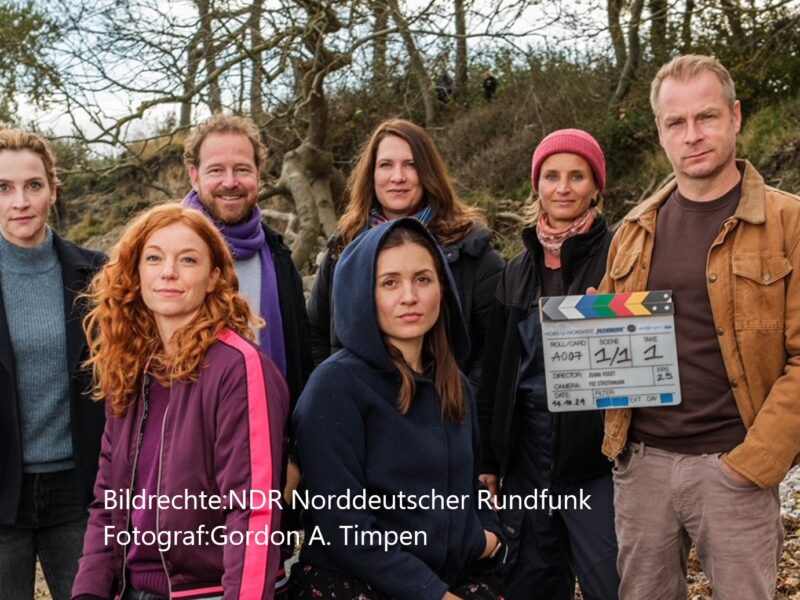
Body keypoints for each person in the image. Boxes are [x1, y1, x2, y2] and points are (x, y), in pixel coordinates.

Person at [600, 54, 800, 599]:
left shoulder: (789, 223)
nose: (693, 135)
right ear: (661, 133)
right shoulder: (633, 231)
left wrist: (754, 463)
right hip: (642, 469)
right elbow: (614, 354)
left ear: (735, 117)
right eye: (676, 123)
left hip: (733, 468)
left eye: (706, 117)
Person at [71, 204, 289, 600]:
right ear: (137, 274)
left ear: (214, 279)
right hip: (132, 589)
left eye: (188, 259)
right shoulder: (132, 367)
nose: (168, 271)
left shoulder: (238, 367)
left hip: (211, 591)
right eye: (154, 258)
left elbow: (254, 512)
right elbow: (107, 503)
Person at [291, 218, 504, 599]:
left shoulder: (455, 386)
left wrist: (487, 537)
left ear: (442, 288)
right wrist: (431, 594)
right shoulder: (335, 385)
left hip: (453, 579)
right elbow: (341, 522)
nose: (410, 296)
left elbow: (470, 488)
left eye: (423, 279)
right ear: (362, 293)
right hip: (354, 585)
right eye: (389, 282)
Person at [477, 129, 619, 600]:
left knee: (613, 585)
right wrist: (490, 460)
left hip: (599, 466)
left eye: (577, 176)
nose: (563, 187)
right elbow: (494, 373)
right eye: (552, 176)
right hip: (527, 466)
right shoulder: (514, 272)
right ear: (536, 184)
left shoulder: (621, 259)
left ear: (596, 186)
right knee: (529, 587)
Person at [307, 118, 503, 392]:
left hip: (449, 414)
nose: (397, 177)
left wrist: (460, 410)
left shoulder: (472, 249)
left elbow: (494, 348)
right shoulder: (342, 250)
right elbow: (317, 335)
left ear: (428, 173)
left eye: (410, 165)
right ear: (371, 175)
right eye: (386, 165)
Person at [0, 130, 106, 600]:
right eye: (3, 187)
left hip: (78, 491)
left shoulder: (97, 274)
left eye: (33, 185)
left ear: (53, 190)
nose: (20, 201)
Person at [182, 112, 312, 408]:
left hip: (268, 430)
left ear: (258, 174)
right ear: (194, 175)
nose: (230, 182)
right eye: (216, 170)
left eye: (241, 169)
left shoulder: (279, 257)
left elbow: (302, 359)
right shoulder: (162, 255)